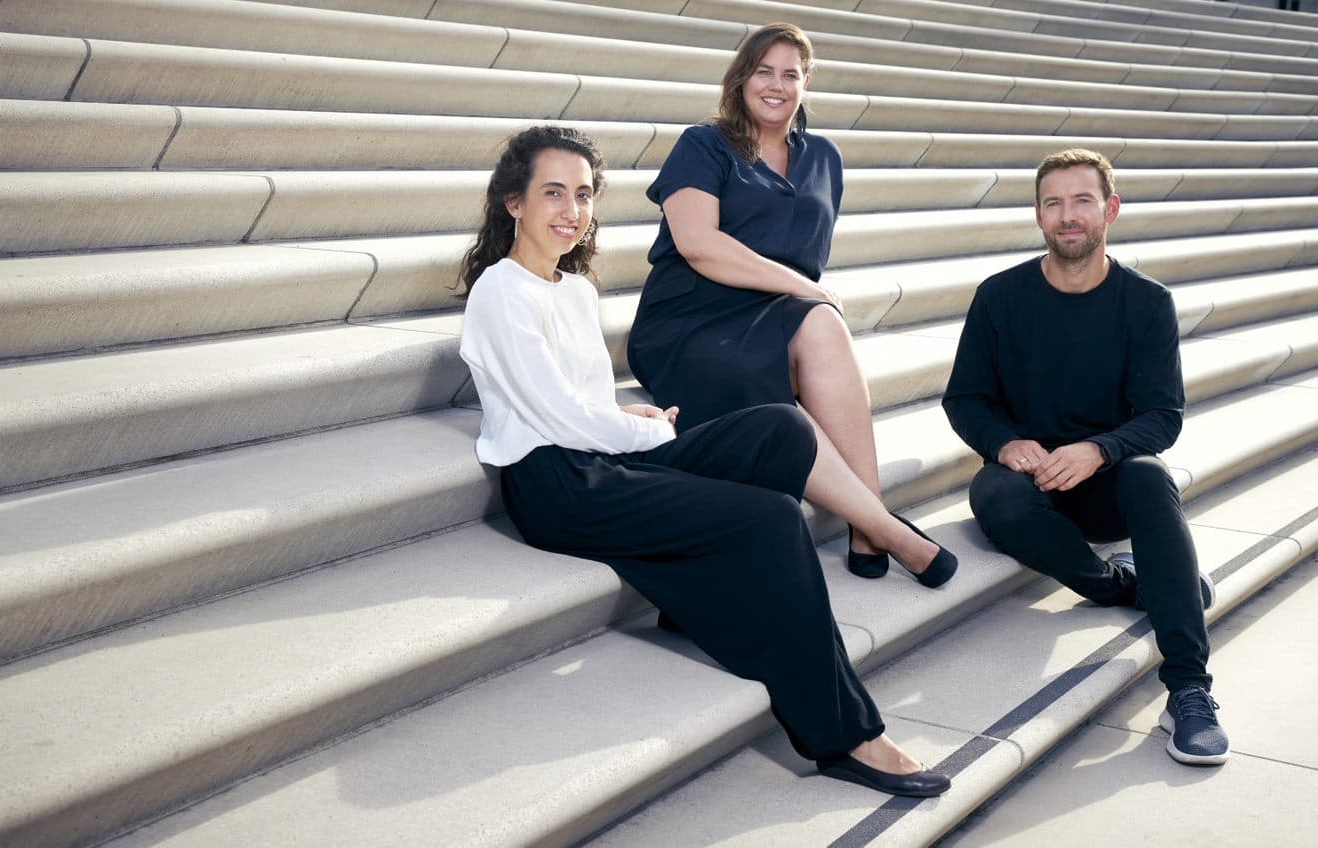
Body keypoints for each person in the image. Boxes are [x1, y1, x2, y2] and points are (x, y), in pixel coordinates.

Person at [458, 125, 950, 797]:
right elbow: (557, 419)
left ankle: (693, 594)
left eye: (582, 194)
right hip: (557, 485)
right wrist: (650, 436)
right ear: (513, 202)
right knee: (771, 517)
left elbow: (580, 399)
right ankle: (845, 734)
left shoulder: (572, 288)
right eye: (552, 193)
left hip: (596, 455)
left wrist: (631, 416)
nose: (571, 211)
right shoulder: (500, 291)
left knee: (779, 429)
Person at [625, 23, 954, 587]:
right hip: (691, 319)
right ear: (741, 78)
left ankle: (867, 519)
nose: (776, 85)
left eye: (791, 74)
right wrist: (799, 287)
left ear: (805, 84)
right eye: (764, 71)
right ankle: (888, 529)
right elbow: (699, 245)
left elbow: (810, 262)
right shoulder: (703, 144)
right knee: (807, 316)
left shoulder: (824, 157)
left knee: (824, 321)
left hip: (771, 311)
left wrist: (804, 294)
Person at [942, 148, 1228, 766]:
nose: (1067, 216)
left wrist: (1101, 450)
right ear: (1039, 216)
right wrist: (1004, 443)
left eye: (1082, 201)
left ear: (1110, 210)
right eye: (1054, 203)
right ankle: (1124, 586)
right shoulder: (999, 297)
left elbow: (1162, 415)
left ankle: (1189, 688)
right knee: (992, 496)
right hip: (1032, 483)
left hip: (1108, 483)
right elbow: (965, 398)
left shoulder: (1146, 303)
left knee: (1152, 477)